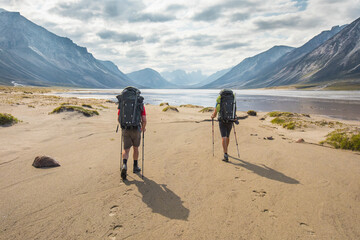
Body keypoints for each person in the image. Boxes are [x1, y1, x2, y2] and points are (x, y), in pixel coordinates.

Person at [117, 87, 147, 180]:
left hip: (125, 128)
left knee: (126, 149)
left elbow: (118, 118)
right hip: (136, 129)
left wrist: (122, 126)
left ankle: (124, 165)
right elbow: (144, 119)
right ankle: (135, 167)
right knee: (136, 148)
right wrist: (143, 128)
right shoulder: (139, 103)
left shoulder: (123, 103)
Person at [211, 89, 236, 162]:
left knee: (223, 136)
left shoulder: (220, 98)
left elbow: (216, 110)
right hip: (230, 119)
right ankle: (226, 151)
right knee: (228, 136)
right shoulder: (233, 97)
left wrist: (213, 116)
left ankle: (225, 153)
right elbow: (235, 108)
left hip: (222, 120)